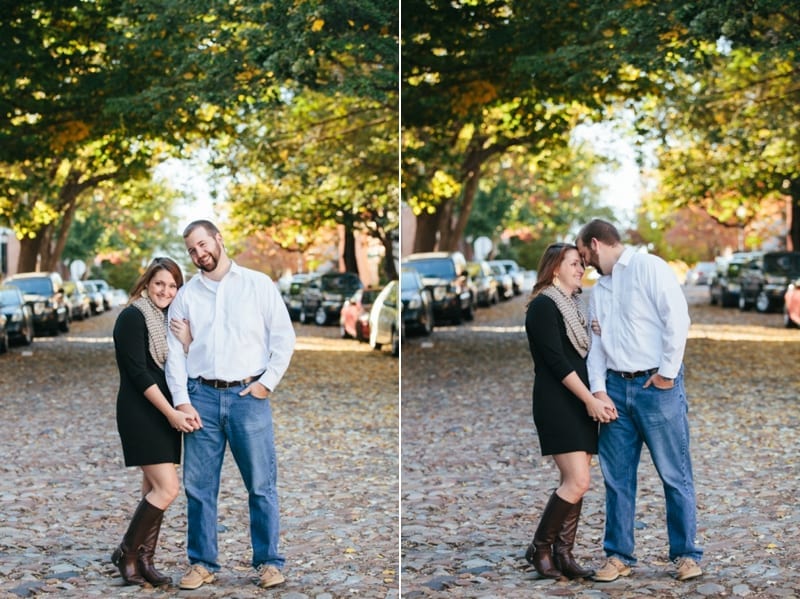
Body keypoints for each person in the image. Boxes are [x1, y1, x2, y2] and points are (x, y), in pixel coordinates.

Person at [165, 220, 296, 590]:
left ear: (218, 240)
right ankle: (203, 563)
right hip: (201, 397)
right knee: (199, 487)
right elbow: (175, 354)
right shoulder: (186, 296)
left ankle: (268, 562)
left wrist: (266, 384)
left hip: (247, 398)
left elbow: (283, 338)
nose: (199, 253)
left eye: (203, 244)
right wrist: (182, 401)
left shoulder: (257, 285)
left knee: (261, 485)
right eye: (191, 250)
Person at [575, 219, 703, 582]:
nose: (584, 263)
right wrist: (598, 389)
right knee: (617, 479)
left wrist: (666, 373)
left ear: (596, 244)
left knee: (674, 475)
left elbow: (677, 320)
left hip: (655, 388)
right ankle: (619, 556)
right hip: (615, 389)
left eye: (584, 255)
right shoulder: (599, 290)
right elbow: (596, 345)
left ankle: (686, 555)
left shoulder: (650, 267)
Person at [523, 243, 617, 580]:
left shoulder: (573, 307)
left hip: (578, 402)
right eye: (574, 264)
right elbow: (557, 362)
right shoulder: (543, 307)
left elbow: (583, 353)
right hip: (557, 402)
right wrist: (590, 399)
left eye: (581, 264)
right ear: (554, 268)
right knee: (577, 480)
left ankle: (563, 553)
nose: (581, 269)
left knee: (575, 482)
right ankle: (540, 547)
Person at [111, 257, 198, 587]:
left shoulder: (166, 320)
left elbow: (181, 361)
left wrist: (188, 340)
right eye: (159, 283)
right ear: (147, 283)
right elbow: (138, 373)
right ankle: (127, 553)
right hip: (142, 412)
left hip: (162, 413)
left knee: (152, 488)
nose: (166, 290)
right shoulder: (132, 317)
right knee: (168, 488)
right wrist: (171, 413)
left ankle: (145, 560)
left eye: (173, 285)